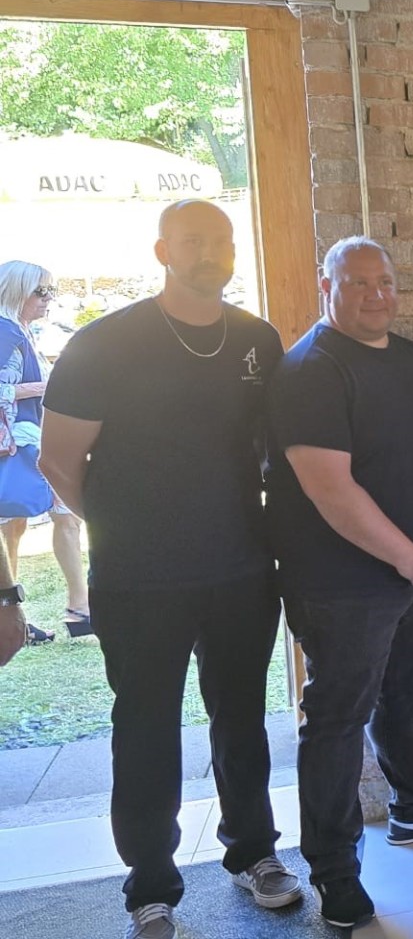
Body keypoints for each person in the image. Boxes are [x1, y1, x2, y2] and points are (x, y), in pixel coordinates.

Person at [37, 202, 294, 939]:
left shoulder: (256, 339)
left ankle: (255, 855)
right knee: (145, 729)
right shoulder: (104, 343)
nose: (208, 252)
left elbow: (272, 448)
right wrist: (124, 528)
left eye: (219, 240)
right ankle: (151, 887)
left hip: (242, 567)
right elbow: (58, 458)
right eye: (192, 241)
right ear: (162, 250)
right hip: (140, 577)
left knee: (241, 717)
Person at [267, 236, 413, 929]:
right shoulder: (310, 369)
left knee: (405, 689)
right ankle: (335, 870)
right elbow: (329, 488)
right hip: (343, 583)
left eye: (385, 281)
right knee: (336, 720)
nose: (376, 294)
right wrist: (403, 554)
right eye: (358, 282)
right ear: (325, 284)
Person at [0, 260, 85, 642]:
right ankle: (76, 609)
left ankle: (69, 608)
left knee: (15, 524)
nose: (49, 299)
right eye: (41, 291)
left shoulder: (17, 331)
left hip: (23, 440)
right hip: (20, 442)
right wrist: (46, 387)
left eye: (51, 290)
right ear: (16, 292)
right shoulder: (7, 333)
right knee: (58, 512)